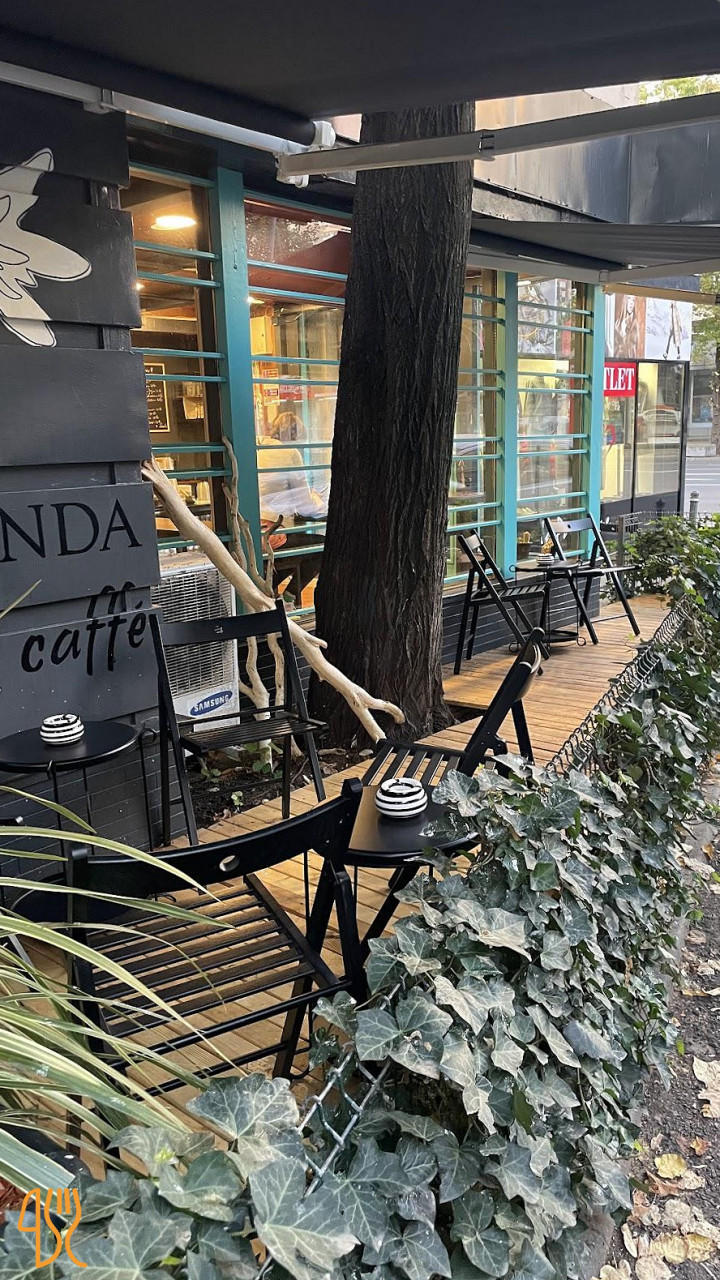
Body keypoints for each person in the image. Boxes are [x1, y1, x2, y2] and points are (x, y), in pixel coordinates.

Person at [257, 410, 328, 604]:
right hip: (273, 533)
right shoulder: (289, 453)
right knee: (323, 547)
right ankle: (289, 599)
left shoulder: (256, 447)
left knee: (297, 547)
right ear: (295, 437)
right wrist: (318, 500)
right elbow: (306, 505)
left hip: (253, 534)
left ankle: (271, 596)